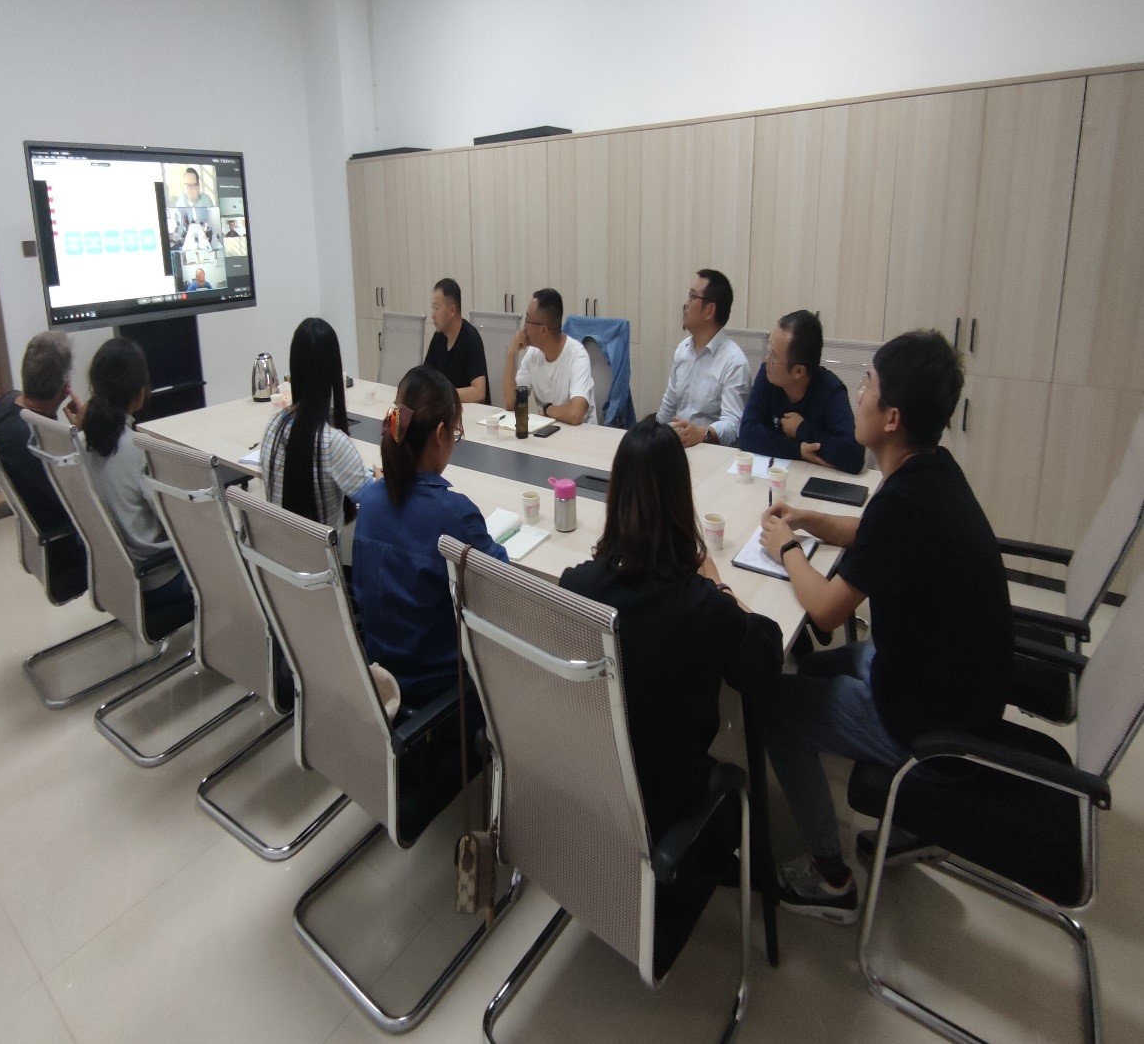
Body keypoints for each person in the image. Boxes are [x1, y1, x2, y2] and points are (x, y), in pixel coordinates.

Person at [756, 330, 1011, 922]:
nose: (858, 394)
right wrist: (807, 519)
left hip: (929, 721)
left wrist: (786, 547)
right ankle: (878, 802)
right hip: (948, 681)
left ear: (891, 417)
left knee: (771, 705)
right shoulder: (927, 471)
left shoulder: (902, 500)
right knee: (810, 668)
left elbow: (825, 610)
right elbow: (870, 534)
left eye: (867, 385)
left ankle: (832, 877)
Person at [560, 418, 782, 843]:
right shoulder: (704, 606)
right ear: (682, 501)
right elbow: (766, 659)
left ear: (614, 494)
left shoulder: (576, 586)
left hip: (590, 782)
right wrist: (720, 586)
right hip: (667, 799)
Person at [353, 366, 508, 707]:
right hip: (444, 696)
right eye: (456, 432)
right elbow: (503, 589)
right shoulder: (455, 515)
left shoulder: (371, 500)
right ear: (441, 434)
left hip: (381, 681)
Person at [80, 337, 194, 624]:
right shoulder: (139, 451)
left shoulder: (81, 444)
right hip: (159, 578)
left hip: (116, 576)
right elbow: (180, 523)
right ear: (140, 392)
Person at [0, 331, 86, 594]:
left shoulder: (5, 403)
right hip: (69, 551)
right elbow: (90, 501)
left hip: (39, 545)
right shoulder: (46, 443)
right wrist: (85, 432)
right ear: (66, 388)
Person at [260, 318, 375, 546]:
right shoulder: (332, 443)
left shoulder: (273, 426)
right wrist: (381, 479)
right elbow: (376, 501)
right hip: (322, 564)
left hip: (279, 560)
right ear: (334, 372)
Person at [738, 310, 865, 473]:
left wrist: (802, 429)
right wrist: (798, 449)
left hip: (815, 478)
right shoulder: (767, 375)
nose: (766, 360)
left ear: (798, 371)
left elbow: (853, 455)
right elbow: (747, 434)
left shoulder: (831, 390)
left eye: (773, 356)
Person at [656, 270, 751, 446]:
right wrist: (654, 435)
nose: (685, 304)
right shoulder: (682, 350)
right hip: (677, 447)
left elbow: (733, 425)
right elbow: (669, 405)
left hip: (711, 451)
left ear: (709, 310)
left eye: (693, 297)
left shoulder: (734, 362)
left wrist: (702, 433)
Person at [502, 288, 595, 425]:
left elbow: (575, 414)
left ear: (543, 330)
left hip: (581, 434)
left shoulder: (578, 356)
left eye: (527, 320)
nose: (524, 328)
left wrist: (547, 409)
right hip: (547, 431)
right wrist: (511, 353)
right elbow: (512, 403)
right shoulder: (533, 353)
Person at [424, 278, 489, 404]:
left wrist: (441, 394)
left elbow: (479, 392)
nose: (433, 315)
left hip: (471, 411)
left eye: (436, 308)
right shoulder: (438, 337)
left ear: (452, 311)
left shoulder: (470, 338)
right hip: (446, 408)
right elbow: (425, 378)